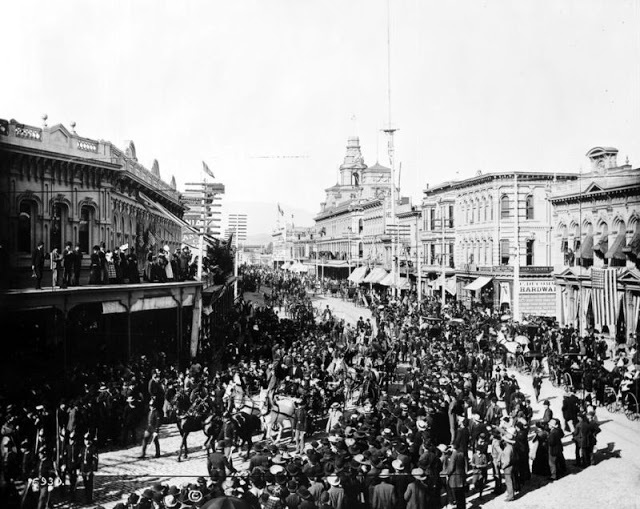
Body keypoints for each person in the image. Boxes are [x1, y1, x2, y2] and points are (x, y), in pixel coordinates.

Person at [79, 433, 98, 504]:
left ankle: (89, 499)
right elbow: (80, 459)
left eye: (87, 440)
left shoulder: (93, 449)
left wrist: (93, 469)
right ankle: (86, 497)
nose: (86, 441)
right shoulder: (83, 448)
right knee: (85, 484)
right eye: (85, 440)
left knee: (89, 485)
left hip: (89, 469)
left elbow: (95, 460)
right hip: (84, 469)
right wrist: (80, 469)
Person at [446, 444, 466, 509]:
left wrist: (447, 473)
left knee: (457, 495)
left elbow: (451, 467)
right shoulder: (461, 454)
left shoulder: (453, 455)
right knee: (461, 496)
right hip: (461, 476)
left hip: (455, 478)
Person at [500, 428, 517, 502]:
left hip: (507, 467)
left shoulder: (507, 449)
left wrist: (502, 467)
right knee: (511, 480)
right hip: (512, 466)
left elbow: (507, 461)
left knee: (508, 481)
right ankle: (511, 493)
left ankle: (510, 496)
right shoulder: (511, 447)